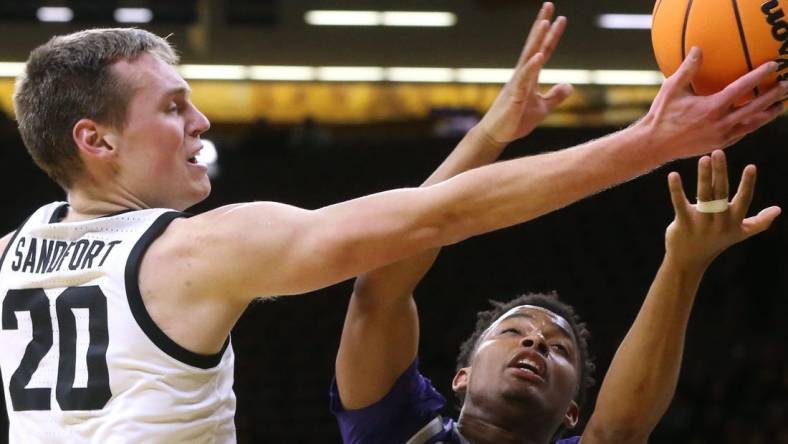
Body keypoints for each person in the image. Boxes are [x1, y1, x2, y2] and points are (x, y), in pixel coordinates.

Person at [0, 1, 784, 441]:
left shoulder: (10, 255)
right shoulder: (196, 248)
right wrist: (654, 141)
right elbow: (437, 218)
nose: (201, 120)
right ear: (95, 140)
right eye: (173, 107)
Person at [331, 150, 780, 443]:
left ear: (570, 414)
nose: (536, 342)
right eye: (512, 331)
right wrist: (489, 137)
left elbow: (620, 429)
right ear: (461, 376)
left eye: (560, 349)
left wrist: (684, 264)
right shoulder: (399, 430)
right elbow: (377, 295)